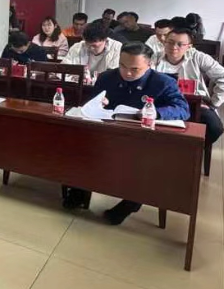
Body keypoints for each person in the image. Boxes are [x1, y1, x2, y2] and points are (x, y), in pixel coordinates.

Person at [64, 42, 190, 225]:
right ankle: (79, 190)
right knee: (80, 146)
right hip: (107, 133)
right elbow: (91, 103)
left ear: (149, 65)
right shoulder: (107, 77)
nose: (127, 73)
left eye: (134, 69)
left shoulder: (163, 82)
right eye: (122, 66)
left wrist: (156, 112)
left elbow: (183, 109)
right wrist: (98, 103)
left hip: (144, 140)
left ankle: (131, 203)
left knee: (149, 165)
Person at [154, 27, 224, 148]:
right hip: (161, 102)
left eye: (180, 44)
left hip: (192, 104)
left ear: (189, 46)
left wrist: (213, 103)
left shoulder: (198, 57)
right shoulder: (154, 58)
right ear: (164, 42)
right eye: (170, 42)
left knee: (215, 128)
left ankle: (193, 151)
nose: (174, 47)